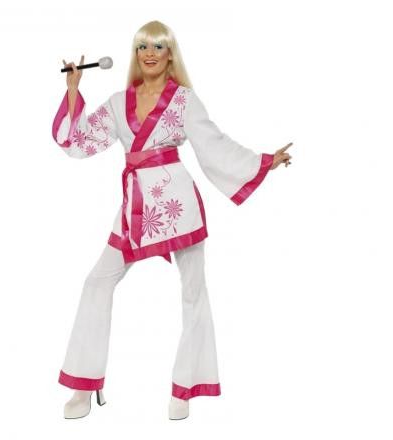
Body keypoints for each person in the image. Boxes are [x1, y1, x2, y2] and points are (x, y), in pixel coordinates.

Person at [51, 20, 293, 421]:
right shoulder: (117, 102)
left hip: (179, 205)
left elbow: (214, 144)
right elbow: (79, 143)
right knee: (96, 283)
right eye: (142, 46)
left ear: (169, 55)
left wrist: (263, 161)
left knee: (193, 292)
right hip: (134, 209)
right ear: (135, 53)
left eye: (158, 46)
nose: (149, 53)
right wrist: (74, 90)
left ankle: (186, 387)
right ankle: (84, 383)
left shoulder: (184, 100)